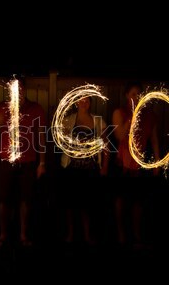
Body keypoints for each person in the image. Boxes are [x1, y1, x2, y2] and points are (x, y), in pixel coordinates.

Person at [0, 77, 46, 247]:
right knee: (4, 199)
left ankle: (23, 235)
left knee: (26, 199)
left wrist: (42, 163)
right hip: (6, 160)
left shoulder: (36, 108)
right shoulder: (3, 106)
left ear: (25, 89)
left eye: (21, 88)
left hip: (29, 161)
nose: (18, 92)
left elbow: (41, 137)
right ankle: (3, 234)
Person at [112, 82, 160, 247]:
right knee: (121, 199)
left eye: (139, 94)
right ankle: (120, 232)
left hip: (141, 164)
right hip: (123, 163)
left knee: (138, 200)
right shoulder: (120, 112)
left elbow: (153, 140)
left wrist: (157, 163)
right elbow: (119, 137)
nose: (137, 97)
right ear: (126, 95)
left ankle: (136, 232)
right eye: (133, 94)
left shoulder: (150, 115)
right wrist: (131, 118)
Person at [60, 97, 109, 245]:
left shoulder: (98, 121)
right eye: (81, 101)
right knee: (70, 204)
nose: (84, 103)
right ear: (76, 103)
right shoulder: (68, 120)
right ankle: (70, 234)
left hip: (90, 169)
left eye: (87, 101)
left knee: (87, 204)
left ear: (90, 104)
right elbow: (61, 141)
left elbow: (106, 146)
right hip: (71, 168)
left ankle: (87, 236)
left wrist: (105, 166)